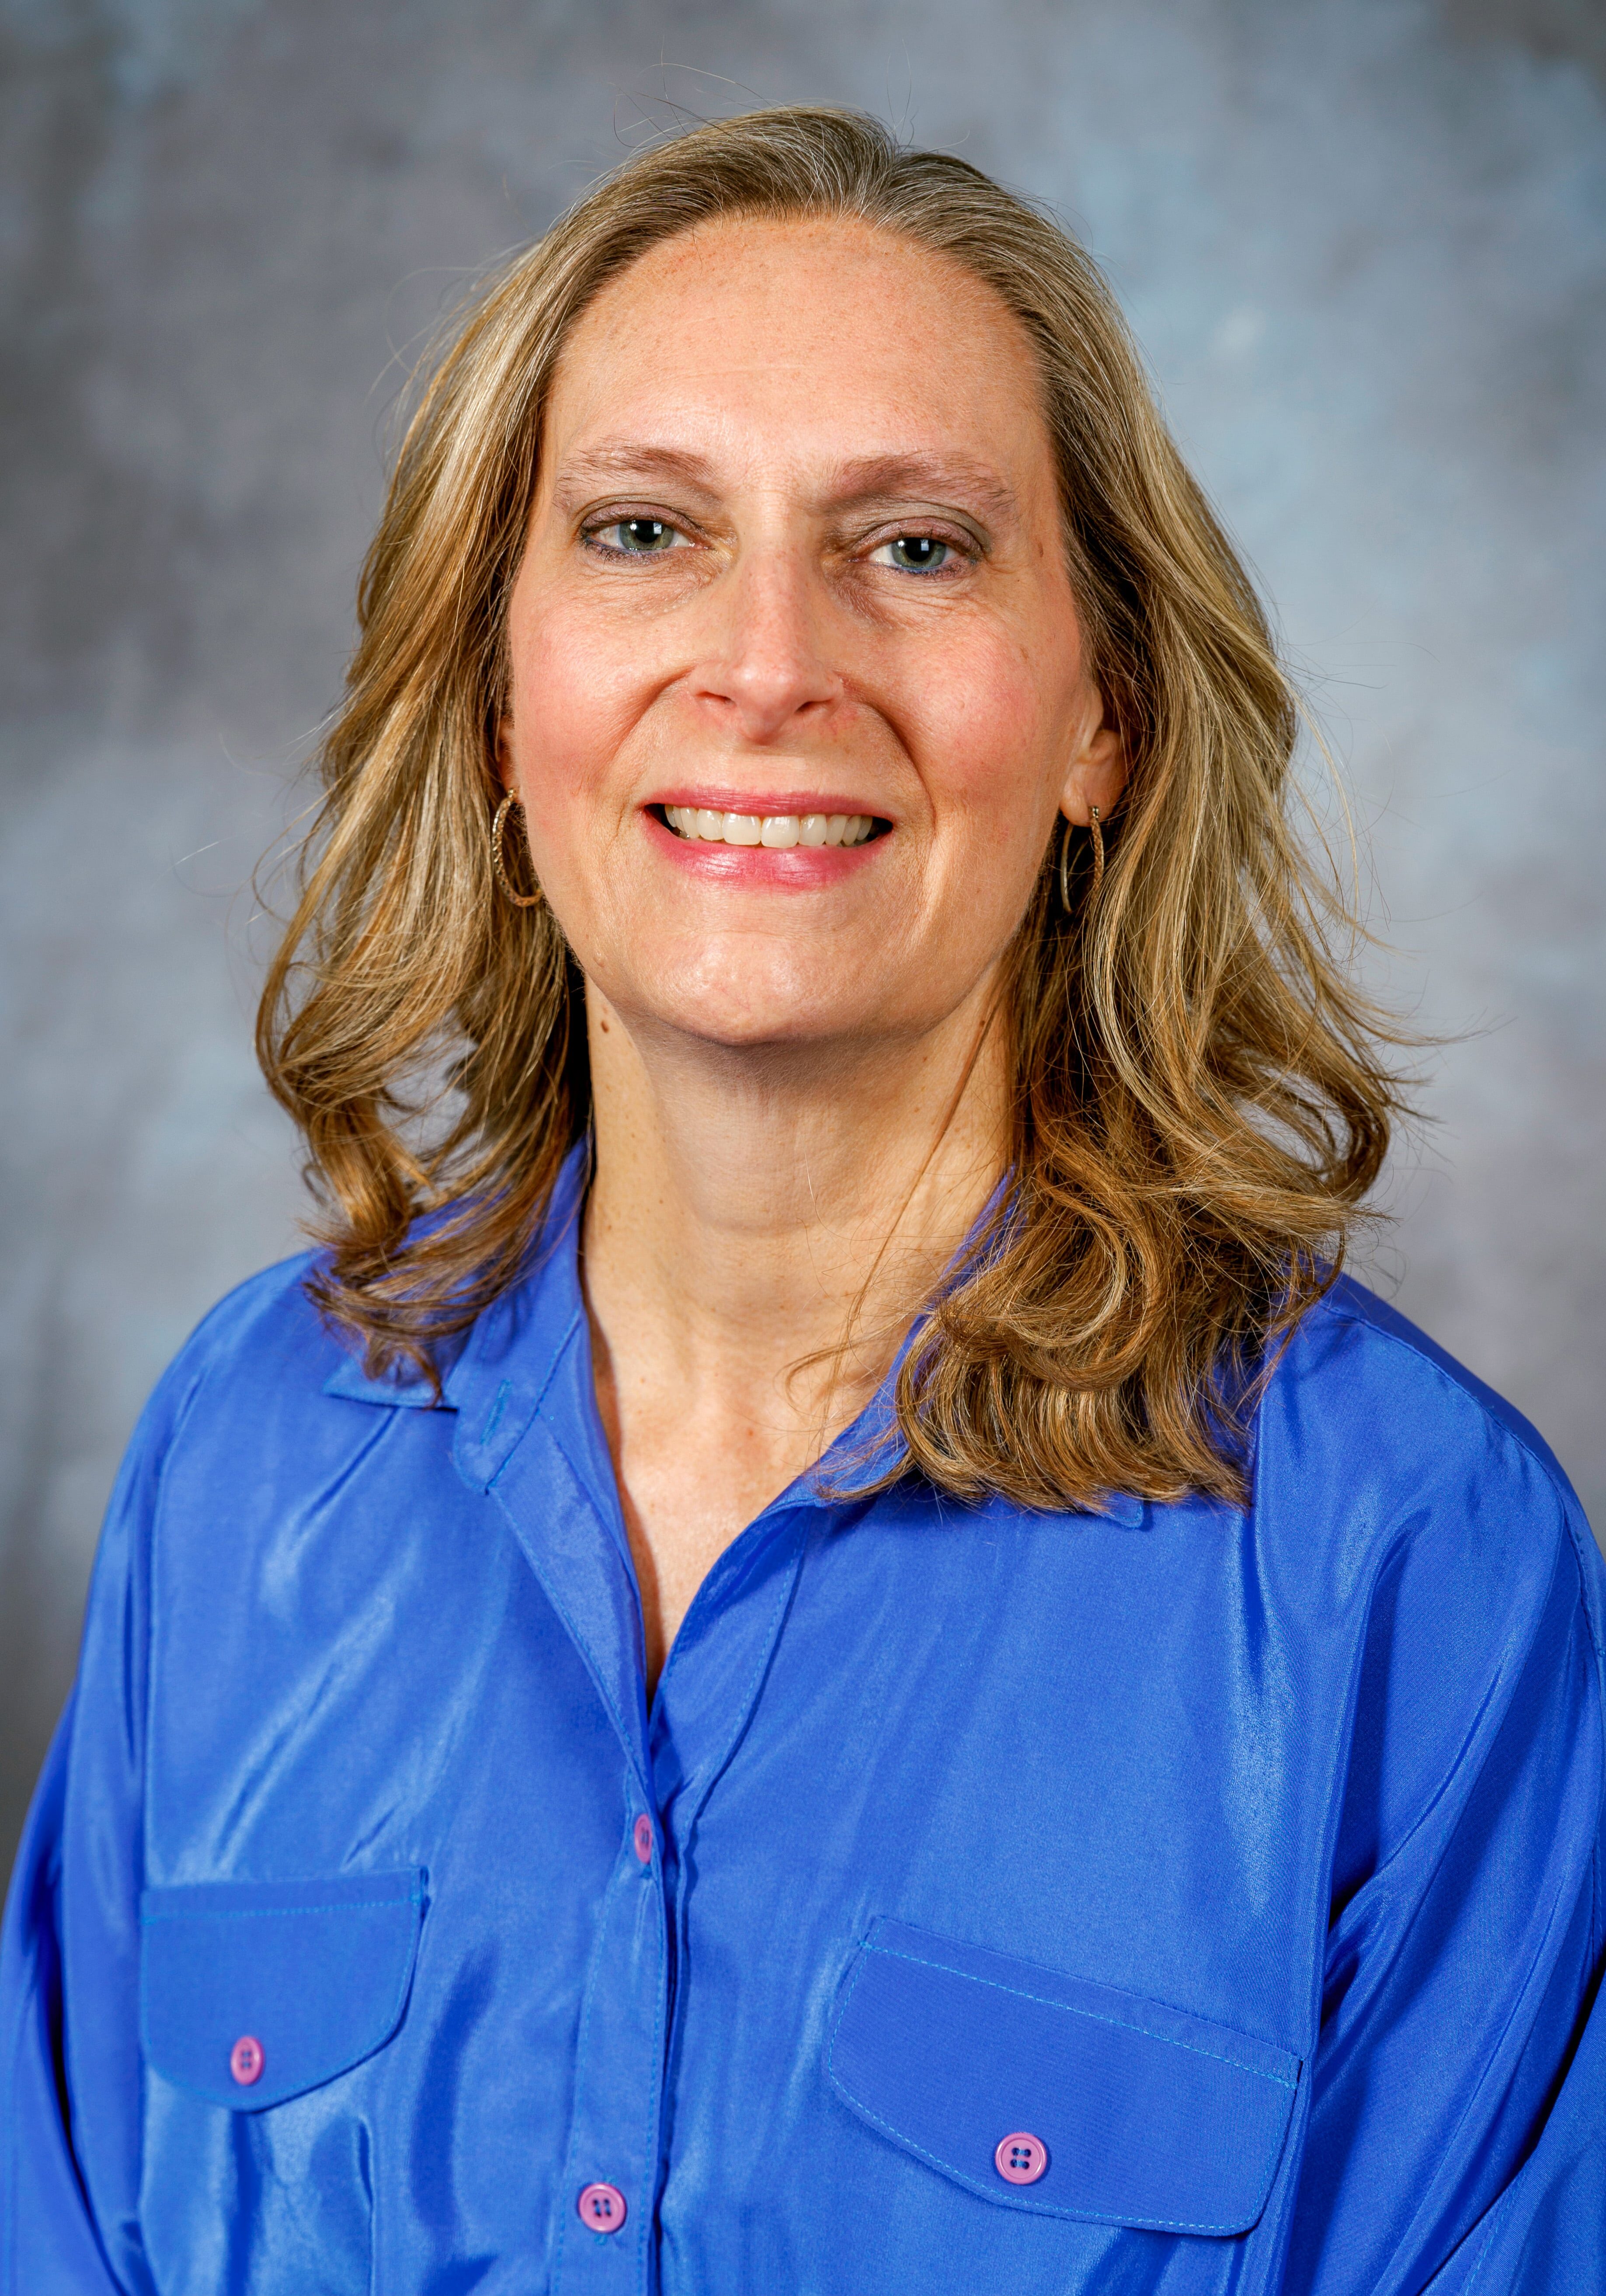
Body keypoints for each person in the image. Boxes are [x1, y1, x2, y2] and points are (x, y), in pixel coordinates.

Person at [2, 105, 1601, 2296]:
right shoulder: (245, 1461)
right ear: (498, 697)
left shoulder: (1410, 1565)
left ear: (1107, 716)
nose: (769, 664)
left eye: (917, 547)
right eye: (644, 531)